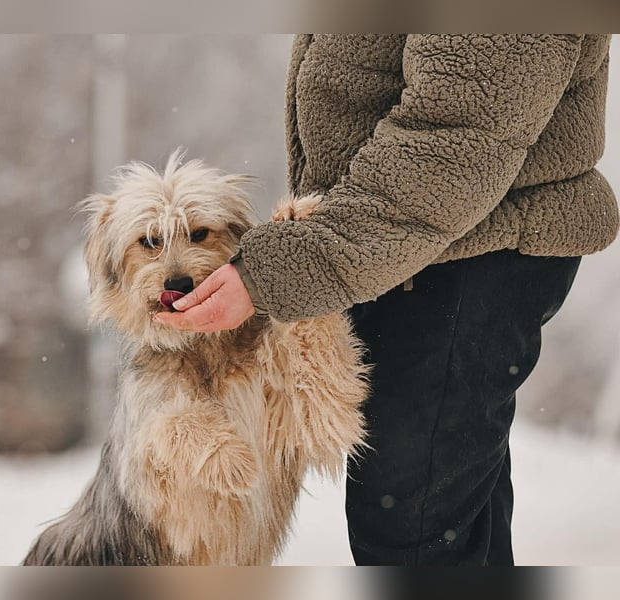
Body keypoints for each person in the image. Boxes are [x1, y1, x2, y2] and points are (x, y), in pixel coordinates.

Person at [154, 34, 618, 566]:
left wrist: (278, 272)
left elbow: (454, 140)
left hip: (464, 254)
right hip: (407, 253)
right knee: (441, 515)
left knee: (412, 528)